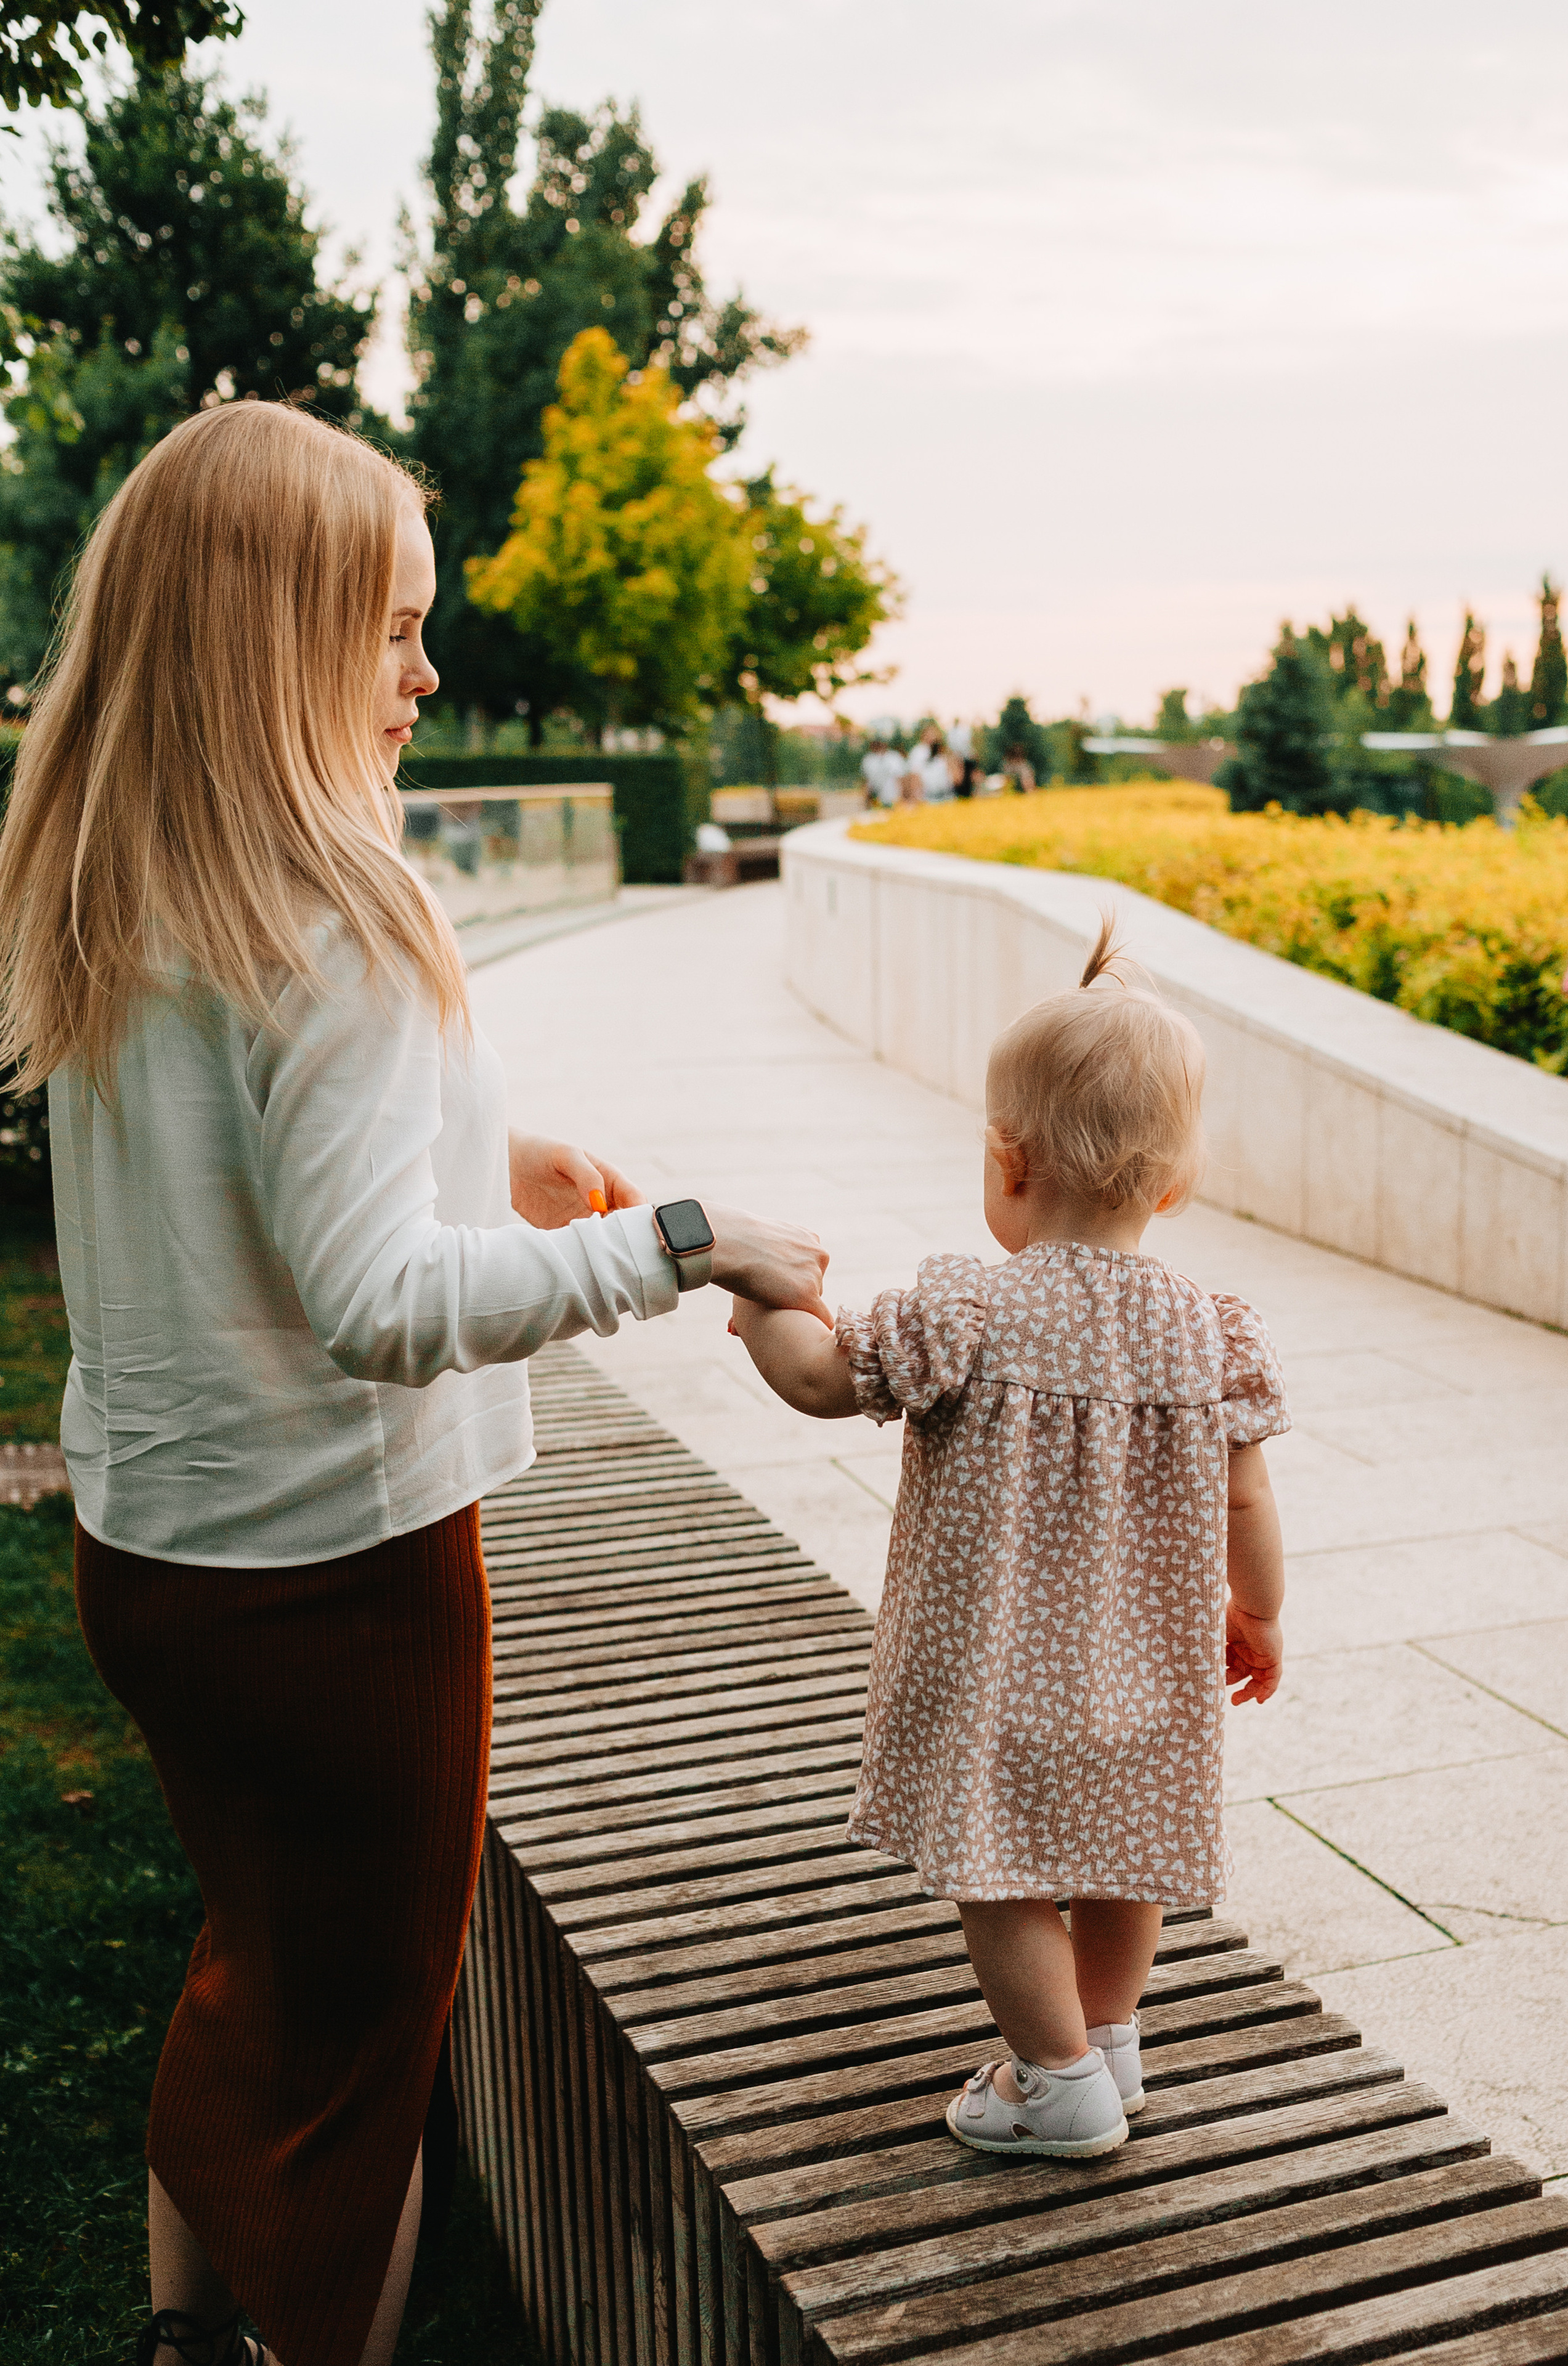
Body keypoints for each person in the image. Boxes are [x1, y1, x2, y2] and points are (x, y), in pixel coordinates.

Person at [0, 400, 828, 2366]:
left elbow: (257, 1192)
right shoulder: (345, 912)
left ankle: (187, 2336)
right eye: (392, 628)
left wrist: (497, 1165)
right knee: (363, 2054)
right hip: (339, 1577)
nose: (426, 672)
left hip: (158, 1556)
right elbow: (373, 1303)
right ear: (275, 639)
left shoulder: (132, 888)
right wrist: (681, 1238)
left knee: (250, 1964)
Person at [728, 920, 1289, 2160]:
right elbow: (1246, 1499)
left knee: (1003, 1872)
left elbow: (823, 1381)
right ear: (1175, 1180)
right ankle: (1112, 2035)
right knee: (1123, 1849)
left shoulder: (967, 1308)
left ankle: (1054, 2079)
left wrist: (763, 1302)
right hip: (1146, 1666)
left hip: (991, 1672)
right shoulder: (1213, 1330)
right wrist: (1258, 1613)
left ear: (1008, 1162)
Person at [860, 734, 906, 809]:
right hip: (876, 801)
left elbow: (901, 779)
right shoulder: (868, 759)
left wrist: (902, 799)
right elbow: (867, 782)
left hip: (894, 800)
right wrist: (866, 801)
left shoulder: (895, 757)